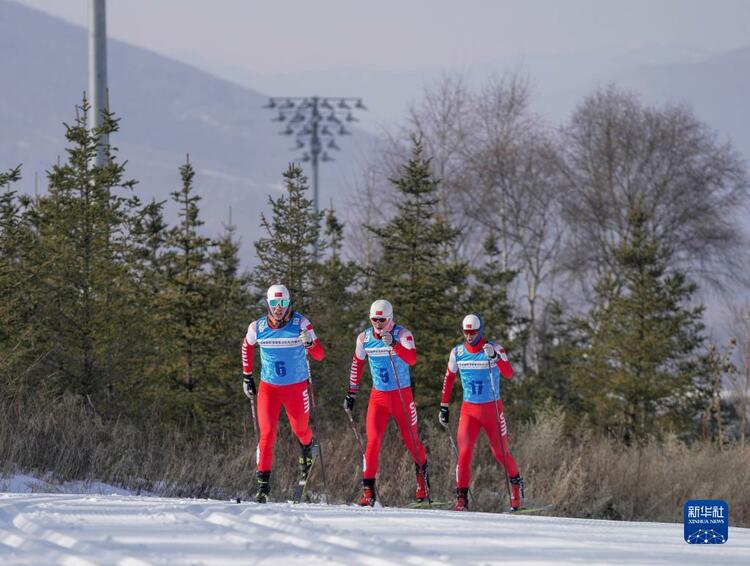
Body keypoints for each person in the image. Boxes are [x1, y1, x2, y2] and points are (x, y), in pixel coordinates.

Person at [241, 284, 325, 503]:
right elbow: (246, 346)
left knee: (300, 429)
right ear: (268, 304)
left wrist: (309, 342)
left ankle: (308, 447)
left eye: (283, 303)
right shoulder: (257, 327)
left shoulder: (301, 324)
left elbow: (319, 355)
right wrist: (247, 376)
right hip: (269, 388)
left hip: (296, 388)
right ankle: (262, 487)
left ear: (289, 304)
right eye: (274, 304)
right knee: (267, 436)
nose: (279, 308)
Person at [345, 299, 429, 507]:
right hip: (379, 397)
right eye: (374, 319)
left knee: (412, 440)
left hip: (402, 395)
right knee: (372, 443)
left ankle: (422, 483)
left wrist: (394, 344)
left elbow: (412, 359)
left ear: (390, 319)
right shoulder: (364, 337)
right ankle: (368, 492)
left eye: (382, 319)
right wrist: (351, 392)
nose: (378, 323)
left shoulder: (403, 335)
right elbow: (357, 363)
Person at [439, 313, 523, 511]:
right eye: (466, 332)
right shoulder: (457, 352)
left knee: (500, 453)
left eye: (473, 332)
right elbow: (449, 378)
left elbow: (509, 373)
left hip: (492, 409)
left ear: (480, 330)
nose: (469, 336)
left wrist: (494, 357)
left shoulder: (495, 349)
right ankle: (461, 500)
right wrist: (444, 405)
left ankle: (517, 497)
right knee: (464, 453)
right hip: (469, 411)